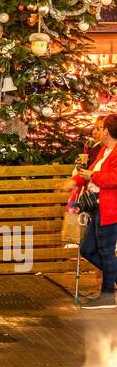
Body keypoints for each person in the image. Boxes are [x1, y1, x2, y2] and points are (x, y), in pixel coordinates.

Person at [76, 112, 117, 308]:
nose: (97, 131)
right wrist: (81, 176)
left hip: (110, 207)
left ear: (108, 130)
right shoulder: (104, 151)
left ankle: (108, 295)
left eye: (101, 128)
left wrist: (93, 175)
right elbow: (91, 171)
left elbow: (113, 179)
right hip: (98, 207)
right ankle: (111, 282)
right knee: (87, 249)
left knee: (106, 252)